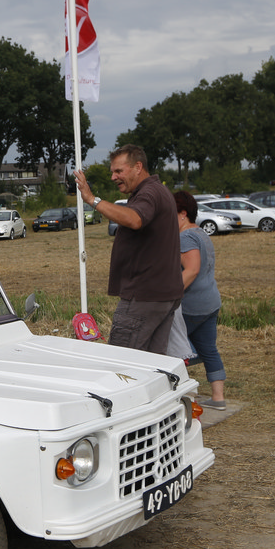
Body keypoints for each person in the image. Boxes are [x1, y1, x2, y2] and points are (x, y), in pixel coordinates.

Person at [73, 145, 183, 354]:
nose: (113, 177)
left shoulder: (149, 193)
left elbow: (135, 219)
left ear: (138, 167)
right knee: (153, 363)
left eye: (119, 171)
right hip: (162, 295)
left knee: (123, 360)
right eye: (112, 172)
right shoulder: (158, 190)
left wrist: (92, 200)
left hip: (144, 296)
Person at [174, 191, 227, 410]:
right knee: (209, 349)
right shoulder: (201, 233)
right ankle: (218, 398)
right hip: (211, 301)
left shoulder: (185, 237)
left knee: (174, 351)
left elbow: (192, 269)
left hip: (192, 305)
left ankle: (183, 397)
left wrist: (170, 293)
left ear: (183, 214)